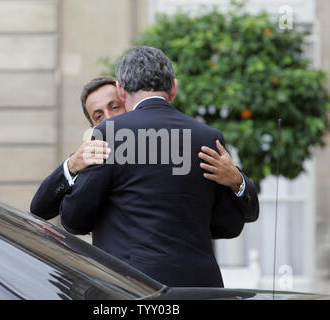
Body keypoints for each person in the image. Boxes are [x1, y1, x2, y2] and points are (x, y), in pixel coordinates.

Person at [49, 46, 258, 288]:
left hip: (134, 287)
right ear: (174, 88)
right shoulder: (208, 137)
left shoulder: (110, 133)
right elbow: (231, 224)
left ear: (121, 90)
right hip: (201, 287)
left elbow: (74, 219)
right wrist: (239, 184)